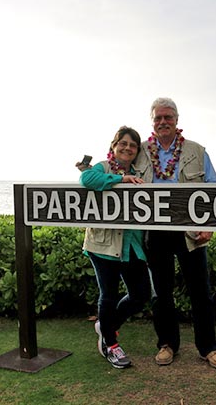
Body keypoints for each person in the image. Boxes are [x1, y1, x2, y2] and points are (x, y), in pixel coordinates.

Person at [134, 97, 216, 369]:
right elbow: (116, 171)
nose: (163, 122)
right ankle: (167, 344)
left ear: (177, 120)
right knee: (161, 293)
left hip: (190, 231)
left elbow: (213, 189)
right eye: (158, 118)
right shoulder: (139, 151)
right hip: (155, 231)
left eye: (168, 117)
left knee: (200, 291)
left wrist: (209, 225)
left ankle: (209, 348)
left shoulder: (197, 151)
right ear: (152, 122)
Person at [78, 126, 149, 369]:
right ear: (114, 146)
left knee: (141, 295)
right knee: (108, 295)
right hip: (103, 244)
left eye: (133, 145)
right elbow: (86, 179)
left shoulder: (140, 173)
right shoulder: (103, 167)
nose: (127, 148)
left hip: (132, 245)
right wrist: (120, 179)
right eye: (123, 143)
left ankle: (106, 326)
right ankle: (110, 344)